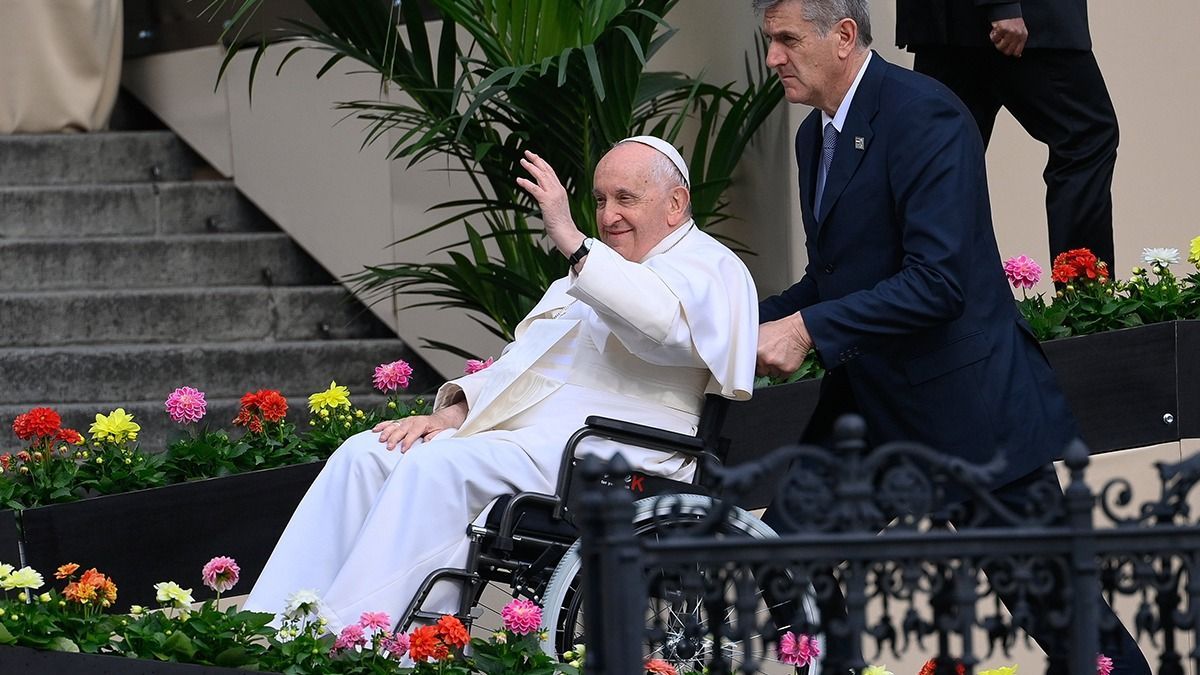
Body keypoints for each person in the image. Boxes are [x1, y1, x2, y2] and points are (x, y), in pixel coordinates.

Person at [750, 0, 1148, 672]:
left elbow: (938, 283)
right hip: (873, 409)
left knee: (1068, 627)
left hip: (972, 411)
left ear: (843, 36)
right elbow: (833, 277)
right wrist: (743, 321)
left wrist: (806, 329)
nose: (773, 59)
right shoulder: (812, 138)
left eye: (786, 40)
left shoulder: (924, 114)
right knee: (786, 553)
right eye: (770, 42)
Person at [243, 136, 759, 632]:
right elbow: (523, 365)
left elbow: (661, 327)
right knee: (371, 452)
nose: (607, 216)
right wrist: (449, 415)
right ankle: (282, 624)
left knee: (436, 466)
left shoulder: (711, 266)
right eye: (600, 199)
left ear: (676, 203)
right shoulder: (590, 272)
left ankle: (369, 638)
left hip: (617, 448)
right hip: (537, 439)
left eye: (626, 198)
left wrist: (574, 242)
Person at [895, 0, 1119, 269]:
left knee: (945, 164)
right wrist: (1001, 6)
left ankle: (935, 300)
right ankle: (1084, 298)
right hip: (1013, 19)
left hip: (950, 24)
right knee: (1087, 138)